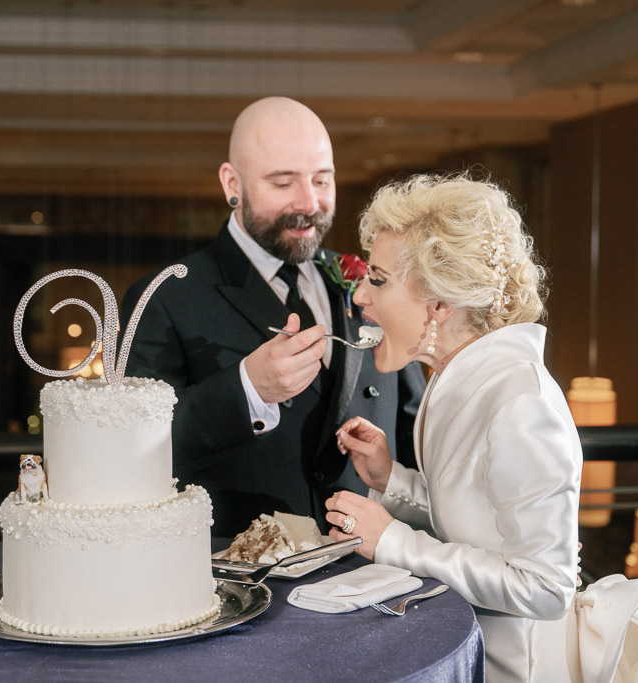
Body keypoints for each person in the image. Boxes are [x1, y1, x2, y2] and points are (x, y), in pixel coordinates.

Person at [120, 97, 426, 535]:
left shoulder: (373, 282)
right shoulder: (165, 295)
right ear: (233, 183)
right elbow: (132, 444)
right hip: (240, 574)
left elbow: (415, 433)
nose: (309, 202)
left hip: (368, 566)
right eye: (283, 183)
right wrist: (247, 388)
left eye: (322, 180)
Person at [325, 173, 582, 682]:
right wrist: (391, 480)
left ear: (440, 305)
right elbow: (477, 516)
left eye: (377, 280)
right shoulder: (453, 377)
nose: (359, 299)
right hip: (459, 653)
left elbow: (546, 589)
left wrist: (392, 541)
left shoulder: (521, 402)